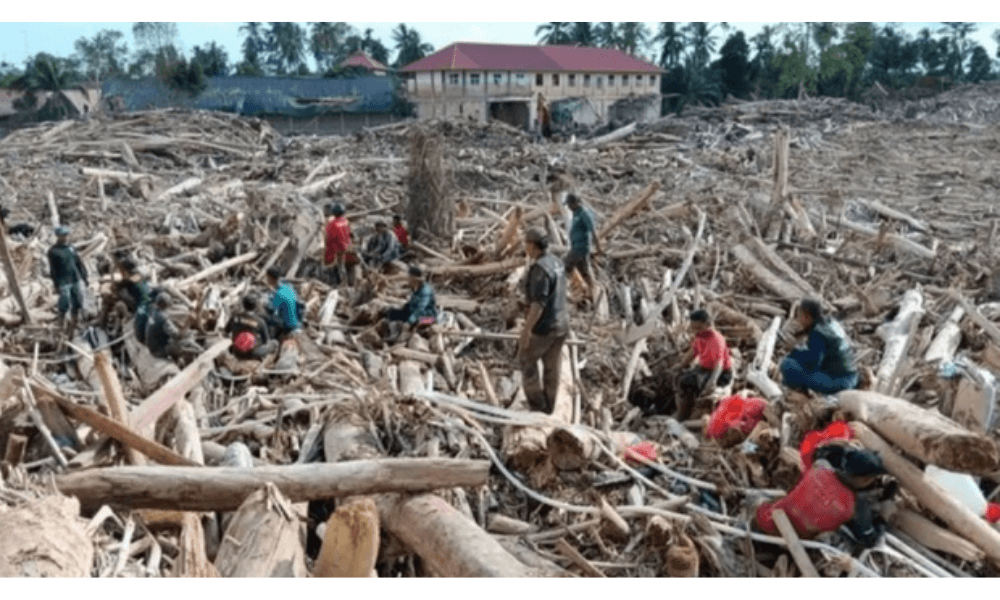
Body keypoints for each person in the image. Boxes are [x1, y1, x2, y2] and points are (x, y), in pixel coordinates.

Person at [517, 227, 569, 414]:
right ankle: (550, 407)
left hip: (545, 327)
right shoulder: (557, 262)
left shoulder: (540, 269)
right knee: (551, 367)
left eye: (526, 244)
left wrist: (526, 331)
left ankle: (537, 407)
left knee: (526, 361)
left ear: (533, 245)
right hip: (562, 325)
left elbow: (538, 305)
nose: (525, 248)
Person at [780, 298, 859, 396]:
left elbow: (813, 364)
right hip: (852, 376)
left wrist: (794, 350)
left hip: (840, 382)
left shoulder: (817, 333)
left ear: (807, 316)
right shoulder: (831, 322)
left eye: (799, 315)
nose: (798, 318)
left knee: (787, 364)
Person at [676, 309, 734, 421]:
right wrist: (681, 365)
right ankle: (684, 409)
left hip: (721, 373)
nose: (694, 331)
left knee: (690, 382)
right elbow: (692, 353)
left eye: (697, 327)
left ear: (707, 325)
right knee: (681, 378)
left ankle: (686, 415)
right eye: (693, 327)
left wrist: (712, 381)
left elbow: (719, 364)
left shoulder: (716, 339)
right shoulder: (699, 336)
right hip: (705, 369)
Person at [47, 225, 89, 337]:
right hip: (63, 280)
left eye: (66, 235)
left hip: (75, 277)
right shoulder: (53, 251)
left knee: (77, 300)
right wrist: (56, 284)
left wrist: (84, 276)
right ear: (57, 236)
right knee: (64, 301)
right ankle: (61, 323)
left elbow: (78, 262)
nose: (64, 237)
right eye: (62, 235)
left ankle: (75, 323)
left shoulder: (71, 247)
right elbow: (53, 269)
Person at [385, 266, 438, 341]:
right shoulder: (416, 288)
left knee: (415, 322)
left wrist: (410, 321)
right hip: (414, 313)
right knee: (391, 313)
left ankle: (404, 337)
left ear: (414, 279)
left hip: (429, 318)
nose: (408, 280)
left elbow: (420, 309)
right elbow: (411, 304)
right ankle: (394, 334)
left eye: (409, 278)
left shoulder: (425, 291)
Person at [563, 193, 602, 291]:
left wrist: (598, 247)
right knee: (583, 271)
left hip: (581, 247)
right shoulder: (576, 213)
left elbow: (592, 230)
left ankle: (592, 290)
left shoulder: (584, 213)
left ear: (575, 203)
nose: (568, 207)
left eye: (569, 204)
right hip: (576, 247)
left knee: (566, 264)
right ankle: (589, 290)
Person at [224, 294, 278, 360]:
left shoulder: (234, 317)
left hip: (237, 352)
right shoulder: (260, 322)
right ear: (255, 306)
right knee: (275, 343)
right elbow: (266, 341)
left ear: (243, 305)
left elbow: (225, 333)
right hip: (253, 353)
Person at [114, 257, 154, 343]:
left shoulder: (128, 282)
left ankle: (128, 315)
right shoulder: (140, 274)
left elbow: (117, 287)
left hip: (141, 306)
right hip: (151, 300)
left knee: (119, 300)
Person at [264, 266, 302, 340]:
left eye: (267, 278)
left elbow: (271, 308)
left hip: (288, 325)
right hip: (297, 322)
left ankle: (268, 339)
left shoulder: (279, 293)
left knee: (264, 316)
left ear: (270, 278)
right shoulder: (289, 286)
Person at [144, 293, 185, 360]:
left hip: (151, 346)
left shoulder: (152, 309)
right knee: (177, 344)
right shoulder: (163, 318)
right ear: (165, 305)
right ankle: (180, 359)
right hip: (157, 351)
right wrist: (182, 332)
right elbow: (175, 334)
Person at [324, 202, 352, 287]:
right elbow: (349, 234)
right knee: (341, 265)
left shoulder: (332, 223)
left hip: (336, 247)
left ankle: (334, 283)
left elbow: (329, 237)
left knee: (331, 265)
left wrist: (327, 250)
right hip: (345, 246)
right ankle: (344, 282)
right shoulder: (345, 221)